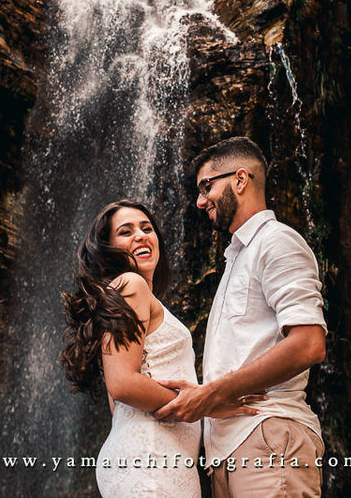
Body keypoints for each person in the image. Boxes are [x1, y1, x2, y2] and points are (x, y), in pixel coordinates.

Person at [154, 137, 327, 497]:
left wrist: (211, 395)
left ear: (240, 179)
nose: (200, 201)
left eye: (206, 186)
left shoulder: (277, 241)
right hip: (227, 454)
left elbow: (309, 344)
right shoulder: (237, 258)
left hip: (269, 439)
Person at [60, 199, 255, 497]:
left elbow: (120, 406)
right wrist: (206, 403)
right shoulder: (131, 285)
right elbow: (123, 385)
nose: (140, 235)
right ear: (108, 249)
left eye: (147, 228)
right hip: (151, 456)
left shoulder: (130, 298)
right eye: (125, 232)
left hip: (156, 455)